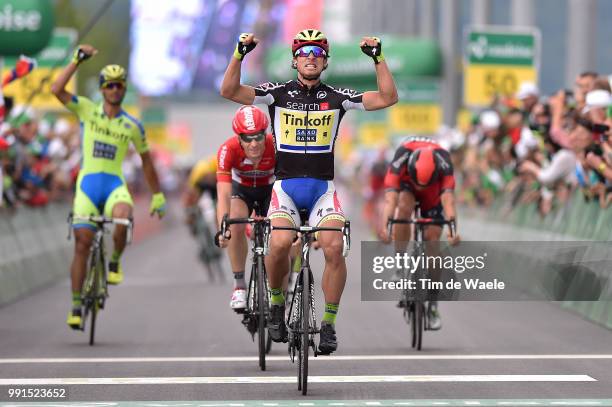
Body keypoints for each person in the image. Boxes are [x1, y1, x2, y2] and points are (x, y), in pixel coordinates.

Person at [220, 28, 398, 354]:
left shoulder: (337, 98)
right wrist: (239, 53)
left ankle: (328, 324)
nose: (311, 58)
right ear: (294, 60)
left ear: (325, 61)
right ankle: (275, 305)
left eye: (317, 53)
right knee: (278, 244)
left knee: (333, 248)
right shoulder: (277, 94)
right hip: (286, 189)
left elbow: (388, 97)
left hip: (322, 191)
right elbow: (229, 90)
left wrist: (379, 59)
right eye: (305, 53)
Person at [51, 44, 166, 329]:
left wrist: (158, 195)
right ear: (102, 89)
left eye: (119, 85)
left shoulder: (133, 125)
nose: (115, 89)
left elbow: (147, 162)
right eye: (110, 85)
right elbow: (56, 89)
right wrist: (76, 61)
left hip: (114, 184)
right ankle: (76, 304)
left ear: (124, 90)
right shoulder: (87, 110)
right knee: (82, 244)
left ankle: (114, 260)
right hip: (88, 186)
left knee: (124, 215)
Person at [379, 137, 461, 330]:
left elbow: (448, 202)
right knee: (403, 208)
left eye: (423, 184)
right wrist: (385, 228)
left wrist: (453, 232)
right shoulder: (400, 162)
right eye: (419, 184)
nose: (420, 188)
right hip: (407, 186)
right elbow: (390, 201)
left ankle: (433, 304)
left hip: (434, 192)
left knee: (433, 241)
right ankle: (400, 265)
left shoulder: (444, 164)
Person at [214, 105, 276, 311]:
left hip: (270, 190)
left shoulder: (276, 145)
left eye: (259, 136)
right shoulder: (227, 149)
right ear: (238, 138)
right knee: (236, 224)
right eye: (247, 138)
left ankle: (281, 283)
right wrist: (223, 227)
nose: (254, 143)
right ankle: (239, 285)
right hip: (242, 191)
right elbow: (223, 193)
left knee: (283, 230)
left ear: (266, 133)